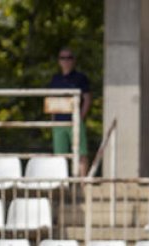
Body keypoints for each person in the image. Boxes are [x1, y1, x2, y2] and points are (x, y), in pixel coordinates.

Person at [48, 47, 93, 177]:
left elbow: (87, 99)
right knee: (59, 156)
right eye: (63, 58)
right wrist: (53, 121)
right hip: (59, 123)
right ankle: (61, 184)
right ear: (59, 61)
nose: (66, 60)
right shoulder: (55, 79)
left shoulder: (80, 78)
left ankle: (82, 184)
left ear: (74, 60)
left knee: (81, 153)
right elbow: (51, 101)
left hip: (75, 122)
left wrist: (80, 118)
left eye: (69, 57)